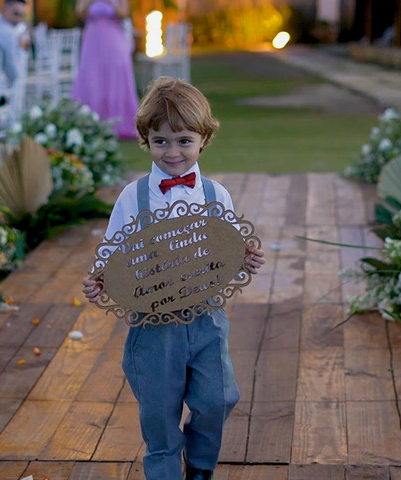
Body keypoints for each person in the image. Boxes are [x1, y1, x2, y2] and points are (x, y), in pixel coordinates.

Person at [82, 77, 266, 480]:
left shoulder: (217, 195)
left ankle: (200, 466)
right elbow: (112, 254)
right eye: (162, 141)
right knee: (159, 411)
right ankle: (164, 470)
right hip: (153, 324)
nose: (173, 151)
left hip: (206, 318)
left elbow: (226, 252)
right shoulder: (134, 196)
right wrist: (99, 281)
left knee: (218, 397)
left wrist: (244, 260)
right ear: (146, 140)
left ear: (203, 139)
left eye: (184, 140)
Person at [71, 0, 137, 139]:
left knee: (115, 80)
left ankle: (119, 124)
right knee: (92, 79)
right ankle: (91, 122)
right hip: (93, 42)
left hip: (113, 40)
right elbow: (79, 15)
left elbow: (124, 14)